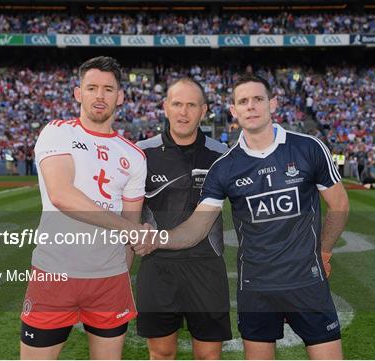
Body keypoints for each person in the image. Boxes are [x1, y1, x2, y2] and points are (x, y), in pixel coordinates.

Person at [133, 74, 349, 360]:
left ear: (272, 103)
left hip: (305, 282)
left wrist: (323, 250)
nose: (251, 106)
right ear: (233, 110)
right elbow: (197, 227)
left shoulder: (308, 147)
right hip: (255, 287)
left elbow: (340, 205)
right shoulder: (224, 167)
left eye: (258, 99)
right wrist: (155, 238)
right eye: (243, 101)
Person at [20, 56, 147, 360]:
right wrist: (131, 230)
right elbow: (61, 195)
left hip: (109, 281)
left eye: (108, 89)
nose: (99, 96)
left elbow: (132, 224)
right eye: (91, 87)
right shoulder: (58, 132)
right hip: (54, 275)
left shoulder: (134, 155)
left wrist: (123, 265)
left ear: (121, 96)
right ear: (78, 93)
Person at [136, 78, 231, 360]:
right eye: (177, 104)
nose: (183, 112)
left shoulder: (222, 155)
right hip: (157, 266)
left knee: (208, 356)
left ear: (204, 111)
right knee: (161, 353)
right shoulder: (141, 152)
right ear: (165, 107)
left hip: (207, 266)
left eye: (191, 105)